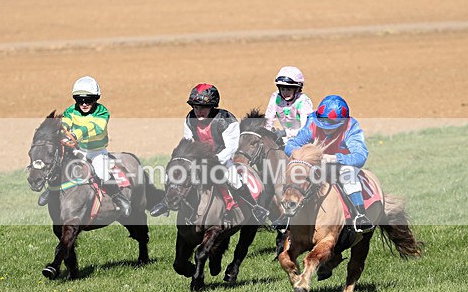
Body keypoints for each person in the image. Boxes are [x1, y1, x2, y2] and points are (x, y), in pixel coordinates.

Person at [150, 84, 270, 224]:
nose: (198, 111)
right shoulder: (190, 118)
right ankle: (167, 203)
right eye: (195, 107)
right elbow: (188, 141)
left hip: (221, 159)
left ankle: (255, 207)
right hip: (198, 159)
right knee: (172, 173)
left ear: (212, 107)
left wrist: (215, 159)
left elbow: (231, 148)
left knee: (234, 180)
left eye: (203, 108)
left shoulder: (226, 120)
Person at [37, 76, 132, 218]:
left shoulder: (102, 112)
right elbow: (65, 123)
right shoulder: (71, 111)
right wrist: (63, 130)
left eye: (88, 100)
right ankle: (51, 191)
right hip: (77, 150)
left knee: (102, 173)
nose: (84, 104)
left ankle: (118, 197)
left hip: (96, 152)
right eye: (79, 100)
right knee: (59, 165)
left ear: (96, 98)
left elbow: (95, 127)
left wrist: (75, 134)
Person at [285, 95, 374, 232]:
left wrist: (335, 158)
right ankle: (286, 217)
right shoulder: (313, 122)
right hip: (317, 165)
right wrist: (306, 156)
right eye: (322, 123)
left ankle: (360, 216)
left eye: (331, 125)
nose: (325, 127)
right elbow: (291, 145)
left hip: (342, 166)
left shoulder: (351, 127)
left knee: (348, 173)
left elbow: (360, 157)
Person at [264, 66, 314, 145]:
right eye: (283, 89)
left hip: (303, 141)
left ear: (297, 89)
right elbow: (268, 120)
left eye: (289, 89)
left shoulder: (303, 101)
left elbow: (305, 129)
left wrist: (285, 133)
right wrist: (267, 134)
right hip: (285, 138)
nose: (285, 92)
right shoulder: (275, 97)